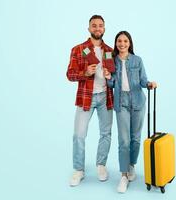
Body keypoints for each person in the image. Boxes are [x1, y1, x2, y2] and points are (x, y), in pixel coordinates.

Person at [104, 31, 157, 193]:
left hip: (138, 102)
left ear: (129, 43)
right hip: (121, 103)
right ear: (116, 43)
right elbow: (112, 84)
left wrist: (149, 84)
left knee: (135, 139)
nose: (122, 44)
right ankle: (124, 174)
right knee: (124, 140)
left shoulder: (137, 60)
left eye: (125, 41)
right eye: (119, 41)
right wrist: (107, 76)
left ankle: (132, 165)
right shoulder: (111, 61)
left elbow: (142, 80)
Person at [66, 15, 114, 186]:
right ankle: (79, 170)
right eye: (94, 26)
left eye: (100, 26)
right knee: (78, 134)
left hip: (105, 97)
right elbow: (69, 74)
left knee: (106, 134)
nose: (97, 28)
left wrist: (110, 77)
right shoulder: (78, 49)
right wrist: (84, 73)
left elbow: (115, 76)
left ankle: (101, 165)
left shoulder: (110, 50)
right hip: (86, 97)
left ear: (104, 29)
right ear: (88, 29)